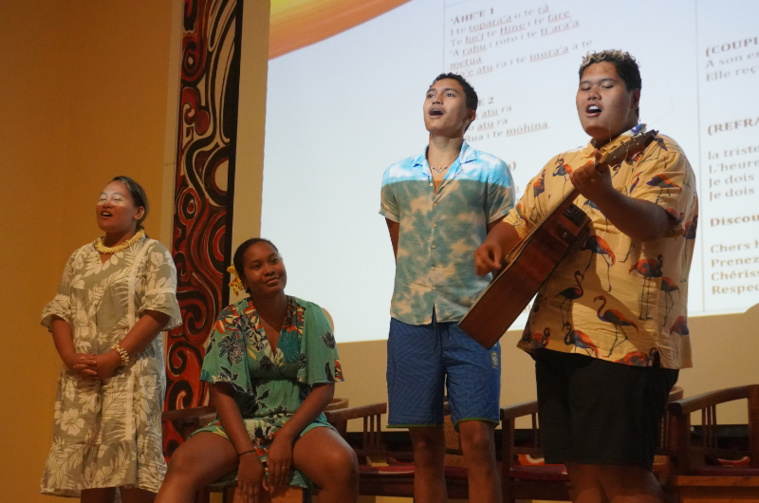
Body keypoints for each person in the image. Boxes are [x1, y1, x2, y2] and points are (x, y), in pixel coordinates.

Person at [475, 50, 699, 503]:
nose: (592, 94)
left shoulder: (662, 153)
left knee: (624, 480)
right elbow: (518, 221)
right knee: (582, 481)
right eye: (584, 87)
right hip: (556, 337)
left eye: (606, 85)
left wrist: (604, 194)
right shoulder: (563, 164)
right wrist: (494, 244)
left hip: (628, 342)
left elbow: (652, 225)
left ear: (634, 97)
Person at [379, 72, 515, 503]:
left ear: (469, 114)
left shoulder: (491, 169)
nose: (436, 100)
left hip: (473, 317)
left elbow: (501, 244)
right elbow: (401, 247)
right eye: (431, 94)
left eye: (449, 95)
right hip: (411, 318)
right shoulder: (396, 175)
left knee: (476, 440)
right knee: (424, 447)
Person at [156, 238, 358, 503]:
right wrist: (246, 454)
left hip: (300, 423)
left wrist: (285, 436)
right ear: (243, 280)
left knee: (342, 463)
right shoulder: (231, 319)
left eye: (274, 260)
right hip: (240, 425)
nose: (270, 269)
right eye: (257, 266)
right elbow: (222, 392)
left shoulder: (311, 315)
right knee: (182, 462)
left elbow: (324, 387)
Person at [40, 176, 182, 502]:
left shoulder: (153, 254)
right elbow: (60, 311)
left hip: (132, 375)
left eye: (117, 198)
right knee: (92, 476)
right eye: (103, 197)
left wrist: (114, 358)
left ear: (138, 212)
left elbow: (158, 311)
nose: (106, 203)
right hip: (85, 377)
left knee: (132, 476)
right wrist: (70, 357)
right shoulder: (80, 257)